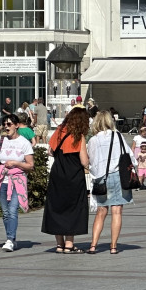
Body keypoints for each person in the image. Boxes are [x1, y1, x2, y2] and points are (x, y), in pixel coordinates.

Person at [85, 111, 138, 254]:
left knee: (101, 212)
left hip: (101, 178)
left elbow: (91, 161)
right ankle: (113, 247)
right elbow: (131, 157)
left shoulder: (93, 140)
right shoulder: (118, 136)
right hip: (119, 177)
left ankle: (93, 245)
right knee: (117, 212)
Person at [41, 106, 90, 253]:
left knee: (57, 206)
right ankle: (69, 244)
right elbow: (84, 161)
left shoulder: (59, 131)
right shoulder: (79, 136)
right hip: (74, 175)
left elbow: (50, 152)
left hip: (57, 173)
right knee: (73, 208)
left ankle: (59, 244)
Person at [0, 114, 34, 252]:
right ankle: (11, 239)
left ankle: (9, 239)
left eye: (9, 124)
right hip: (2, 180)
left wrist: (15, 163)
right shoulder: (0, 141)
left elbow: (30, 165)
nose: (6, 127)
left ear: (17, 125)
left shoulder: (24, 143)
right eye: (5, 124)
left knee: (13, 210)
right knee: (5, 212)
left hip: (18, 180)